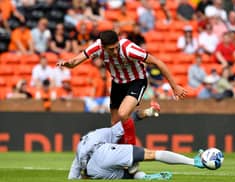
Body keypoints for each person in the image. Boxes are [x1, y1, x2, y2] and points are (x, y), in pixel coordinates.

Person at [57, 30, 187, 145]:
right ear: (103, 47)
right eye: (111, 49)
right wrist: (68, 64)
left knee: (123, 114)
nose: (114, 51)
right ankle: (146, 113)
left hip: (136, 81)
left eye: (116, 47)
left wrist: (174, 87)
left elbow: (157, 62)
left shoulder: (129, 49)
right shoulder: (97, 47)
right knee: (115, 125)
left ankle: (132, 156)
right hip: (117, 83)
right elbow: (75, 61)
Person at [68, 121, 205, 180]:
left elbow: (73, 178)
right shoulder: (103, 132)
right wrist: (147, 112)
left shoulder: (79, 150)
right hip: (101, 152)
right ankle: (194, 161)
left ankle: (146, 177)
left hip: (94, 171)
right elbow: (127, 122)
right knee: (152, 154)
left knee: (131, 175)